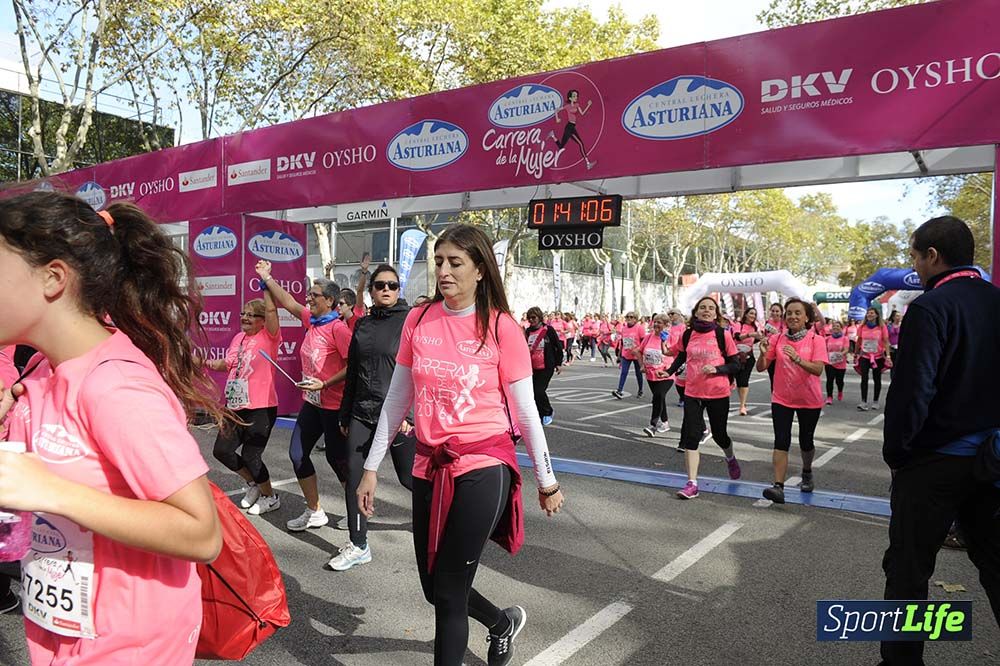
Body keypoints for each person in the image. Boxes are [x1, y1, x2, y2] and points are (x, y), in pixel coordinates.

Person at [0, 192, 223, 663]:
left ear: (53, 278)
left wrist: (51, 492)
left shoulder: (115, 386)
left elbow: (202, 534)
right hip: (61, 642)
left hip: (130, 648)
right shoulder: (40, 370)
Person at [357, 225, 563, 666]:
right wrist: (371, 467)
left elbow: (526, 411)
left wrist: (547, 481)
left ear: (480, 270)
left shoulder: (502, 328)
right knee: (436, 587)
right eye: (439, 262)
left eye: (455, 262)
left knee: (449, 592)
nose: (444, 271)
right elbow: (398, 398)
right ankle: (500, 622)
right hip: (428, 463)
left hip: (484, 463)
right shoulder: (418, 318)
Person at [880, 216, 1000, 666]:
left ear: (933, 255)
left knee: (909, 571)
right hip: (992, 460)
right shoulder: (995, 300)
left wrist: (898, 454)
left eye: (915, 255)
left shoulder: (931, 307)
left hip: (934, 463)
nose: (914, 264)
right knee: (995, 565)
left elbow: (913, 392)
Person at [256, 261, 353, 535]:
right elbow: (287, 301)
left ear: (330, 300)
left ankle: (355, 510)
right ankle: (315, 511)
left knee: (339, 461)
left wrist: (325, 382)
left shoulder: (338, 330)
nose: (308, 298)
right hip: (312, 403)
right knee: (297, 454)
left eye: (314, 295)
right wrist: (267, 278)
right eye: (309, 294)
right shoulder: (312, 321)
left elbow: (352, 367)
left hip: (334, 407)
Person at [334, 264, 415, 571]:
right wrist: (345, 411)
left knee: (409, 478)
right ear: (370, 291)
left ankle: (438, 514)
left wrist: (408, 412)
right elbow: (353, 372)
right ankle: (358, 544)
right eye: (380, 285)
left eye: (392, 285)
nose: (385, 289)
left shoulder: (410, 322)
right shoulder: (363, 325)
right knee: (354, 477)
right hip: (362, 412)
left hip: (396, 416)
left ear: (398, 289)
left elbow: (419, 372)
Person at [202, 297, 282, 515]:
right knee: (222, 450)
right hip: (235, 405)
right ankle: (252, 483)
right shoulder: (238, 338)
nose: (245, 318)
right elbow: (226, 365)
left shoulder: (269, 337)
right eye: (243, 313)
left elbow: (273, 312)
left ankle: (270, 496)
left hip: (261, 406)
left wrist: (266, 284)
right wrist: (204, 362)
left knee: (251, 455)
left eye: (251, 314)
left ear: (262, 320)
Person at [665, 296, 742, 499]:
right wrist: (670, 370)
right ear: (696, 312)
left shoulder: (722, 334)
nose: (706, 310)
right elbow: (682, 355)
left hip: (717, 392)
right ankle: (692, 483)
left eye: (711, 308)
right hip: (693, 392)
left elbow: (736, 364)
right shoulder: (688, 333)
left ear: (716, 314)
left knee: (719, 435)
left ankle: (730, 457)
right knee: (692, 436)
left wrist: (717, 369)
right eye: (702, 308)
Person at [756, 298, 828, 503]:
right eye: (789, 313)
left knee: (806, 441)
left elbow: (818, 369)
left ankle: (807, 470)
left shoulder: (816, 340)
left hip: (808, 400)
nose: (793, 316)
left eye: (798, 313)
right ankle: (778, 486)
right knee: (781, 440)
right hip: (781, 398)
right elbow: (761, 367)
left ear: (807, 317)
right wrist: (762, 356)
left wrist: (797, 358)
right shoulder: (777, 339)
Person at [524, 306, 563, 426]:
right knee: (532, 393)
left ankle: (548, 411)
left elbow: (558, 346)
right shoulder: (528, 332)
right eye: (529, 318)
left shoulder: (548, 330)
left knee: (539, 390)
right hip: (532, 367)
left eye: (533, 317)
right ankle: (540, 414)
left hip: (546, 366)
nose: (531, 320)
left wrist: (558, 363)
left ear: (539, 317)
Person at [637, 314, 673, 437]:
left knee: (658, 396)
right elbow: (638, 351)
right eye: (655, 322)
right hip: (651, 374)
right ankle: (665, 422)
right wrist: (641, 365)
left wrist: (671, 368)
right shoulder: (648, 337)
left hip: (666, 375)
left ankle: (652, 425)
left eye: (660, 322)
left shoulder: (670, 338)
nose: (656, 325)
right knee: (659, 398)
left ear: (666, 325)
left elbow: (678, 353)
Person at [546, 89, 595, 170]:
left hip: (572, 127)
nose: (576, 97)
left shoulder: (577, 105)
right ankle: (588, 164)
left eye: (576, 96)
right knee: (580, 144)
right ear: (570, 98)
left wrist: (588, 105)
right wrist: (557, 118)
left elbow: (582, 113)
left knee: (561, 146)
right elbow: (556, 110)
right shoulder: (567, 106)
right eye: (574, 96)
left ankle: (552, 135)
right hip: (569, 127)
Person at [856, 306, 892, 411]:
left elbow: (886, 341)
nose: (869, 315)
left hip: (878, 357)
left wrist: (888, 355)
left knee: (877, 379)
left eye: (872, 313)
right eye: (868, 313)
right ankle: (863, 401)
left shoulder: (882, 327)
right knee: (864, 378)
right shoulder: (862, 327)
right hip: (865, 356)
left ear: (876, 315)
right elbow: (859, 340)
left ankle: (875, 401)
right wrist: (856, 353)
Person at [732, 308, 762, 416]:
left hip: (748, 356)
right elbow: (737, 337)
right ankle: (742, 403)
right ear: (746, 314)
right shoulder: (738, 325)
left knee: (744, 380)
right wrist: (749, 335)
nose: (753, 316)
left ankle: (742, 405)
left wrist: (760, 336)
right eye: (751, 313)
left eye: (754, 314)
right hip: (736, 356)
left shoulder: (755, 326)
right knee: (738, 381)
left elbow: (758, 338)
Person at [612, 312, 645, 399]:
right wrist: (619, 355)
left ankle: (640, 390)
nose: (629, 318)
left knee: (638, 373)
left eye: (632, 317)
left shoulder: (639, 328)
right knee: (624, 372)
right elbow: (622, 342)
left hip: (636, 354)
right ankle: (619, 390)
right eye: (627, 317)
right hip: (626, 354)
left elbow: (643, 342)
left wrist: (641, 353)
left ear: (635, 319)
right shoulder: (624, 328)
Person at [824, 320, 850, 404]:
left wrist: (839, 355)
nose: (835, 327)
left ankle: (840, 391)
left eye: (837, 326)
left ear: (841, 328)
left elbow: (846, 350)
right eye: (834, 326)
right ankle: (829, 396)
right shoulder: (828, 338)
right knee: (829, 380)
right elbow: (824, 349)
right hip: (830, 363)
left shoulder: (845, 338)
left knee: (839, 381)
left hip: (840, 363)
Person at [762, 302, 785, 390]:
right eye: (773, 311)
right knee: (772, 377)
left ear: (781, 313)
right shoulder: (767, 323)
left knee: (781, 378)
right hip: (770, 354)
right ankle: (774, 397)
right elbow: (765, 335)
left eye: (777, 311)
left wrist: (777, 333)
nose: (775, 313)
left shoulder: (784, 323)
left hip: (781, 354)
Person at [886, 310, 902, 378]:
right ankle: (893, 380)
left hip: (901, 348)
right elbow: (886, 337)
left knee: (900, 366)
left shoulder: (903, 325)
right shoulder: (889, 326)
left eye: (899, 316)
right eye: (897, 316)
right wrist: (888, 344)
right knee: (893, 366)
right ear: (893, 317)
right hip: (892, 348)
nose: (898, 317)